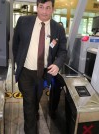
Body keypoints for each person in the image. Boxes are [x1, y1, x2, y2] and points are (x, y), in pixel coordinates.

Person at [12, 0, 67, 133]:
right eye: (41, 7)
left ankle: (35, 111)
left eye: (48, 8)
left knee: (36, 98)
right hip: (25, 72)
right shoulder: (23, 21)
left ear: (53, 9)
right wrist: (19, 62)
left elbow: (62, 51)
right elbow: (16, 44)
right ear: (37, 7)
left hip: (43, 73)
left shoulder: (58, 28)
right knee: (29, 103)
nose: (44, 11)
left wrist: (57, 64)